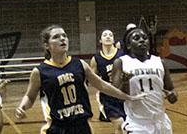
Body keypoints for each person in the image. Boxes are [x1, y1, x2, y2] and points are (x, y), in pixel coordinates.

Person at [14, 25, 144, 134]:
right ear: (47, 45)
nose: (62, 39)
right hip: (57, 127)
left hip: (81, 125)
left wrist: (127, 96)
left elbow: (102, 86)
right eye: (56, 37)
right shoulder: (40, 71)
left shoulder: (80, 65)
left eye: (64, 35)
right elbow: (30, 97)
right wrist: (22, 107)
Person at [111, 27, 177, 134]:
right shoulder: (121, 63)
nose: (142, 40)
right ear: (128, 45)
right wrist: (125, 82)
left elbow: (171, 89)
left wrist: (173, 95)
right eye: (136, 38)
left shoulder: (160, 62)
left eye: (145, 38)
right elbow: (116, 96)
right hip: (137, 124)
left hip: (161, 122)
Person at [90, 29, 125, 133]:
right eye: (105, 35)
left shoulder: (122, 55)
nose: (108, 36)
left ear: (114, 40)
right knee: (119, 124)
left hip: (123, 93)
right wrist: (103, 85)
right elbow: (93, 79)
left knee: (127, 126)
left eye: (110, 35)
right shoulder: (96, 59)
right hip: (108, 97)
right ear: (100, 40)